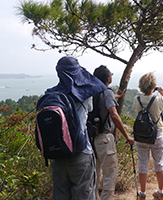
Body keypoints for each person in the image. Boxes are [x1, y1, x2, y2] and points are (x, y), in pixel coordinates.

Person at [46, 56, 107, 200]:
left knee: (60, 195)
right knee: (84, 195)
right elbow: (90, 110)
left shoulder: (50, 95)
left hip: (57, 155)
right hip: (81, 152)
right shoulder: (85, 94)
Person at [93, 65, 135, 200]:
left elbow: (107, 97)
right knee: (110, 174)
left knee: (95, 174)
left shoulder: (91, 92)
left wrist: (118, 95)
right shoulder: (107, 93)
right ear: (109, 79)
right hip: (105, 139)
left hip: (91, 139)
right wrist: (127, 135)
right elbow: (114, 115)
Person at [132, 72, 163, 200]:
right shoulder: (159, 99)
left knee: (143, 164)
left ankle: (142, 193)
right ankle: (161, 191)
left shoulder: (136, 99)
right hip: (157, 134)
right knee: (159, 164)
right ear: (154, 86)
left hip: (141, 135)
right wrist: (162, 94)